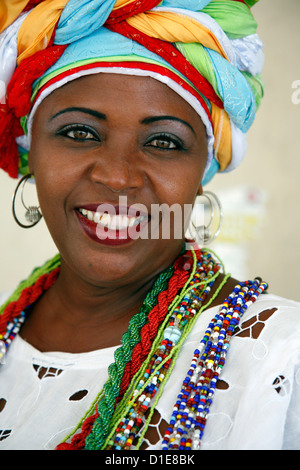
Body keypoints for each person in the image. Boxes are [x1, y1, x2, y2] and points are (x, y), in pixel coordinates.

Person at [0, 0, 299, 451]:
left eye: (163, 141)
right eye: (79, 133)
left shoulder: (278, 357)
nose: (117, 176)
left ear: (202, 173)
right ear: (32, 153)